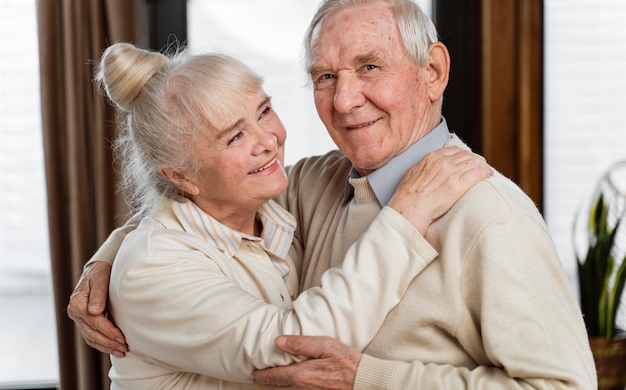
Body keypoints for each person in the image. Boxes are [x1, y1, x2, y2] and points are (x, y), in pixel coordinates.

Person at [69, 0, 597, 389]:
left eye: (370, 67)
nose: (345, 101)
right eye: (325, 77)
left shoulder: (489, 216)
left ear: (432, 71)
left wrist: (369, 379)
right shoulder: (317, 182)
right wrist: (110, 260)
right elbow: (212, 201)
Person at [87, 41, 489, 389]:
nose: (268, 142)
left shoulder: (271, 198)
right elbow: (298, 348)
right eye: (234, 136)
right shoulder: (153, 266)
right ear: (181, 176)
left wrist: (108, 251)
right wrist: (406, 217)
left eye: (263, 112)